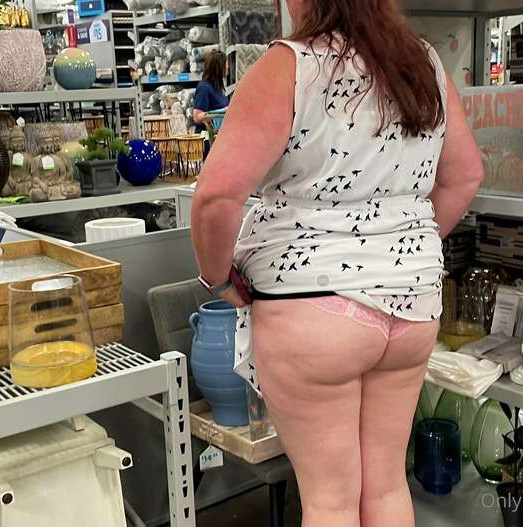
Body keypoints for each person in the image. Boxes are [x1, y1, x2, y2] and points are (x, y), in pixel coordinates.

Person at [191, 0, 483, 525]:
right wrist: (397, 253)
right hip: (412, 306)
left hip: (312, 309)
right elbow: (464, 177)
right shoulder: (423, 64)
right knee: (386, 486)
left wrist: (217, 280)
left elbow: (216, 198)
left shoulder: (289, 66)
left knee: (331, 500)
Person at [193, 50, 229, 156]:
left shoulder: (217, 88)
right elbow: (197, 117)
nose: (228, 67)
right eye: (225, 64)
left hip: (218, 139)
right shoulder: (204, 88)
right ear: (218, 67)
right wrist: (221, 112)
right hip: (208, 141)